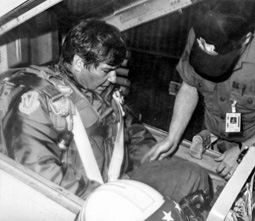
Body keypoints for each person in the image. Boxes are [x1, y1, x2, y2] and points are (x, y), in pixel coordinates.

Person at [0, 18, 210, 210]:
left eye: (115, 70)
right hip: (80, 202)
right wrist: (110, 203)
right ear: (79, 63)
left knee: (194, 176)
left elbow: (133, 134)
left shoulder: (103, 91)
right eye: (106, 70)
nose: (112, 79)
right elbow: (41, 176)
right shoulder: (34, 100)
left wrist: (152, 164)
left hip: (117, 186)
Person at [142, 0, 255, 181]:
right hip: (216, 141)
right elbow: (189, 86)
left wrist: (246, 150)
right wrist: (172, 137)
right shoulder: (201, 35)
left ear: (245, 39)